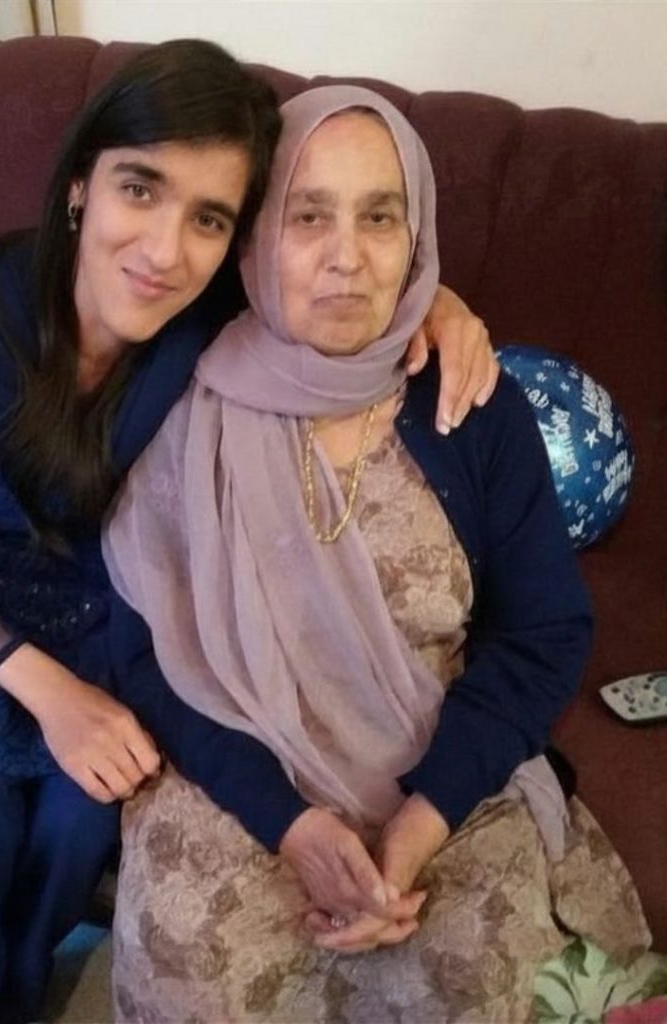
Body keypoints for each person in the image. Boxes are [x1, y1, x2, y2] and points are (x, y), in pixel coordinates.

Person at [0, 43, 497, 1023]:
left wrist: (447, 306)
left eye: (207, 218)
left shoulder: (214, 321)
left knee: (78, 827)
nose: (163, 250)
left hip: (114, 630)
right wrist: (58, 698)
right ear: (81, 182)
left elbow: (351, 279)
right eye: (139, 188)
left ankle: (16, 1000)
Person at [103, 85, 651, 1022]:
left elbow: (544, 631)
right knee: (191, 953)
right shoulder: (182, 399)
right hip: (240, 783)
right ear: (254, 237)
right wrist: (290, 824)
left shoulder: (474, 405)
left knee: (483, 984)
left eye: (380, 217)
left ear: (417, 242)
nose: (346, 258)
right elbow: (147, 649)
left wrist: (417, 828)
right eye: (308, 216)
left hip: (442, 780)